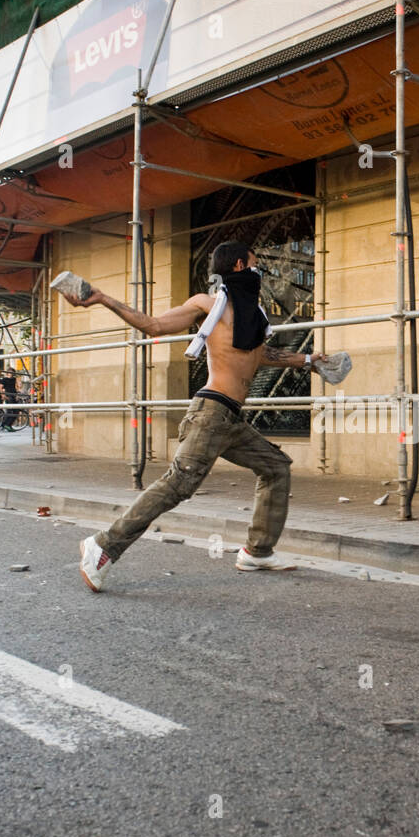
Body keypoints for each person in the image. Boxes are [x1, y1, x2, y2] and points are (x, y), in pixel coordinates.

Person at [62, 240, 325, 591]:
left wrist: (309, 361)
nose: (260, 272)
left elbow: (260, 355)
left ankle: (258, 551)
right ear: (238, 267)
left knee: (276, 467)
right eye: (255, 265)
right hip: (210, 413)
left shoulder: (253, 316)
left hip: (231, 420)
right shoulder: (208, 305)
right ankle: (103, 546)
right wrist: (103, 298)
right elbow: (154, 325)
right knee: (178, 485)